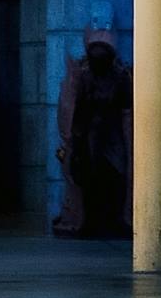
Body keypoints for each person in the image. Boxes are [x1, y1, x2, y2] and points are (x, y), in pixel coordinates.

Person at [55, 37, 131, 239]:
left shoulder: (98, 77)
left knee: (108, 180)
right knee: (99, 181)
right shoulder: (95, 77)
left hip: (102, 135)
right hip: (97, 136)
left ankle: (104, 220)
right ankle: (99, 221)